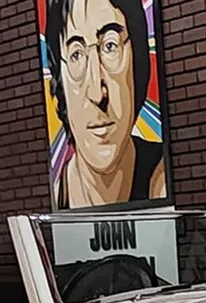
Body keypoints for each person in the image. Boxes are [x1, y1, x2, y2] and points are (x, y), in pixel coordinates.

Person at [45, 0, 166, 208]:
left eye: (110, 46)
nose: (96, 93)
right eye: (76, 54)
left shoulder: (161, 179)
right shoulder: (58, 194)